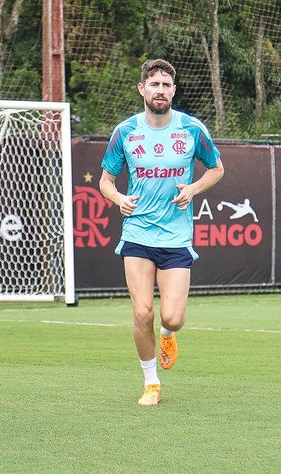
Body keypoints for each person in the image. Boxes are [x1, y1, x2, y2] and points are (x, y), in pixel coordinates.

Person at [99, 59, 225, 406]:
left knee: (172, 317)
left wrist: (194, 188)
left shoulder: (192, 129)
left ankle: (168, 336)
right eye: (154, 84)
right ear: (142, 89)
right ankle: (151, 382)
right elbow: (106, 181)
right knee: (142, 313)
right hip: (138, 233)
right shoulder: (125, 132)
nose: (160, 90)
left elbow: (216, 168)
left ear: (173, 90)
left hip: (176, 237)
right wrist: (119, 198)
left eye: (166, 85)